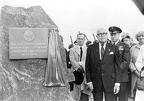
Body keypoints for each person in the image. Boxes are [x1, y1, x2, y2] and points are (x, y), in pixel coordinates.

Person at [85, 27, 121, 101]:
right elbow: (87, 66)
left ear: (107, 35)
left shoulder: (113, 48)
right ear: (97, 36)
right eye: (100, 34)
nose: (102, 36)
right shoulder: (91, 48)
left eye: (104, 34)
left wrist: (117, 83)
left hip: (110, 82)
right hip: (96, 82)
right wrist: (89, 81)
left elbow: (117, 67)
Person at [109, 26, 130, 101]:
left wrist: (116, 71)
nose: (113, 36)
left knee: (122, 98)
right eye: (111, 34)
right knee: (111, 98)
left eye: (115, 34)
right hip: (110, 78)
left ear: (119, 35)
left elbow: (126, 62)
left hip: (122, 77)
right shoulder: (107, 46)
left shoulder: (125, 46)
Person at [69, 32, 91, 101]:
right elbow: (72, 60)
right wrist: (78, 67)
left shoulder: (88, 50)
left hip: (85, 73)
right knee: (76, 93)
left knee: (85, 93)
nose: (80, 40)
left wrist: (83, 66)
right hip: (76, 73)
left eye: (82, 39)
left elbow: (89, 60)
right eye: (79, 39)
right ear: (77, 39)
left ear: (84, 40)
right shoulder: (72, 50)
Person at [131, 31, 144, 101]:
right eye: (139, 36)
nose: (141, 37)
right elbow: (130, 61)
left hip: (143, 74)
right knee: (137, 93)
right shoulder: (133, 48)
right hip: (136, 74)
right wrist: (135, 71)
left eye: (143, 35)